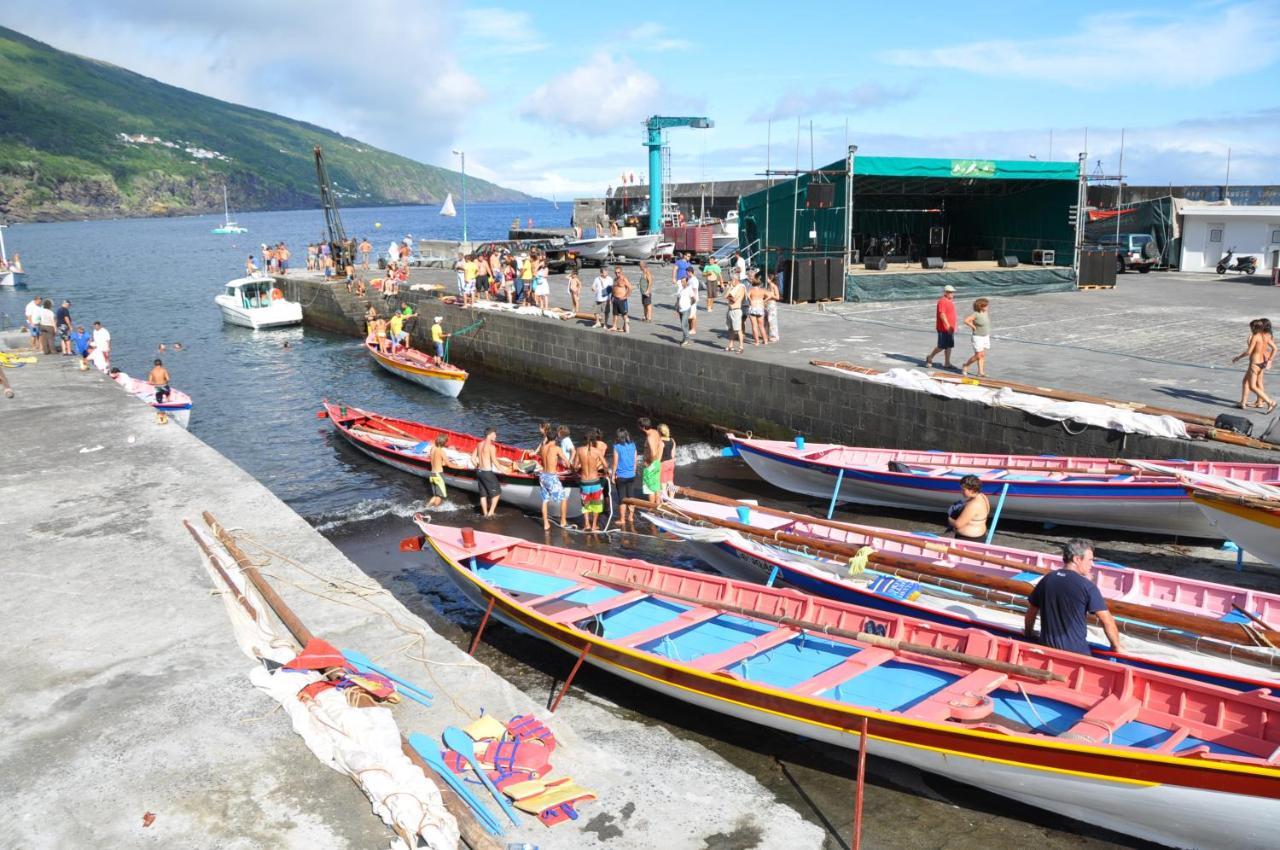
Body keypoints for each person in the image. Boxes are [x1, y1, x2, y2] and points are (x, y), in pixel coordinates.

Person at [1024, 538, 1122, 656]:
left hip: (1046, 649)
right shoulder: (1087, 587)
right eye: (1090, 560)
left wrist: (1028, 634)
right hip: (1076, 653)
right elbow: (1106, 620)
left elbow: (1031, 612)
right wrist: (1117, 647)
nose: (1092, 564)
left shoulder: (1047, 580)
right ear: (1076, 559)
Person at [1232, 318, 1278, 411]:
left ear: (1254, 328)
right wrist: (1269, 360)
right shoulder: (1266, 336)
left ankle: (1270, 402)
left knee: (1253, 386)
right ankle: (1243, 403)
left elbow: (1249, 351)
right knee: (1245, 381)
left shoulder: (1255, 336)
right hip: (1261, 363)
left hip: (1254, 364)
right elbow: (1275, 348)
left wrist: (1238, 357)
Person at [573, 429, 608, 532]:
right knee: (596, 504)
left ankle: (587, 525)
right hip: (595, 481)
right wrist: (605, 472)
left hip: (584, 481)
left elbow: (575, 467)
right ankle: (594, 526)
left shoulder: (579, 450)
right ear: (594, 440)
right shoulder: (597, 451)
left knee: (586, 504)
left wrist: (579, 468)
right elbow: (605, 465)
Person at [538, 427, 570, 530]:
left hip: (543, 476)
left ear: (547, 437)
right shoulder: (556, 448)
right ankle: (563, 521)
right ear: (556, 438)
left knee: (545, 500)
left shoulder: (543, 448)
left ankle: (546, 524)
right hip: (551, 477)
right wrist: (571, 467)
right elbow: (566, 462)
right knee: (564, 498)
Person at [946, 475, 990, 540]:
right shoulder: (983, 496)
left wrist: (949, 519)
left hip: (969, 539)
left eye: (963, 490)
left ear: (972, 490)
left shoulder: (973, 505)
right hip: (979, 536)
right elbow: (987, 512)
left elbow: (958, 524)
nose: (961, 492)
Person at [925, 285, 958, 370]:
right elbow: (942, 314)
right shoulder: (942, 301)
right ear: (945, 292)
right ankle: (930, 357)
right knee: (941, 346)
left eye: (952, 292)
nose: (952, 294)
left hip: (950, 328)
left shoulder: (949, 301)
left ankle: (947, 363)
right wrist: (947, 325)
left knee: (949, 346)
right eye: (950, 292)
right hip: (944, 328)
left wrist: (952, 326)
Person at [611, 428, 639, 526]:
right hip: (631, 474)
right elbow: (635, 460)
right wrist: (634, 471)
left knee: (622, 498)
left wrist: (613, 475)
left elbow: (615, 463)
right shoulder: (633, 445)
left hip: (621, 475)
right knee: (631, 496)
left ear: (618, 437)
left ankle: (622, 519)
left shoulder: (616, 447)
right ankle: (631, 517)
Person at [472, 426, 502, 517]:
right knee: (497, 493)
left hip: (479, 471)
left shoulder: (479, 444)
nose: (496, 436)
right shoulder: (491, 447)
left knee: (483, 495)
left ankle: (485, 513)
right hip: (487, 473)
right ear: (490, 435)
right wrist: (504, 471)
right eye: (494, 434)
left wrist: (477, 466)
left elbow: (472, 458)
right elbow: (495, 462)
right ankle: (491, 512)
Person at [960, 297, 991, 378]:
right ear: (981, 306)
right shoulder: (976, 314)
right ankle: (966, 365)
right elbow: (966, 320)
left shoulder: (985, 313)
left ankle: (980, 372)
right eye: (986, 306)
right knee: (978, 355)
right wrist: (973, 327)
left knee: (982, 355)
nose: (988, 307)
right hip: (978, 337)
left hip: (985, 336)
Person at [639, 417, 663, 505]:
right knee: (656, 486)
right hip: (657, 463)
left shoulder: (649, 437)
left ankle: (651, 508)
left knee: (650, 489)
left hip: (651, 464)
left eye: (640, 427)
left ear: (643, 427)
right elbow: (661, 445)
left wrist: (649, 463)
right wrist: (658, 459)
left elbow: (653, 452)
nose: (639, 428)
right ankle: (658, 505)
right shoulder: (656, 432)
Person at [723, 270, 746, 353]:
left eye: (732, 279)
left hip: (736, 310)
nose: (731, 281)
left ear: (736, 280)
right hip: (730, 310)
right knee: (730, 329)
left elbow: (734, 299)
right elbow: (724, 296)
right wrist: (729, 287)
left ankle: (741, 347)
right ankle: (730, 345)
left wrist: (729, 297)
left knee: (738, 330)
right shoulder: (732, 287)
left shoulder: (741, 287)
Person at [427, 434, 449, 508]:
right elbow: (450, 465)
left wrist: (442, 462)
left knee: (436, 495)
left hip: (432, 474)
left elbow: (435, 460)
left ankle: (426, 507)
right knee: (439, 496)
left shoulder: (432, 448)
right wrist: (460, 467)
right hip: (439, 475)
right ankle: (436, 510)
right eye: (446, 442)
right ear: (444, 443)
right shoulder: (441, 451)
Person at [676, 275, 697, 346]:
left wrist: (689, 305)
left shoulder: (689, 289)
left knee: (683, 324)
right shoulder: (680, 289)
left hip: (686, 309)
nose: (682, 283)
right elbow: (678, 299)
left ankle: (687, 340)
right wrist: (677, 309)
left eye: (683, 282)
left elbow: (694, 299)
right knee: (685, 325)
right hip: (680, 309)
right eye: (681, 282)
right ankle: (684, 338)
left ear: (687, 282)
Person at [746, 278, 768, 346]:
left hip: (753, 306)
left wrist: (750, 300)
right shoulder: (762, 290)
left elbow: (747, 295)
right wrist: (764, 300)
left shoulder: (751, 290)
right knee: (761, 326)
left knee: (754, 326)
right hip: (760, 307)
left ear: (752, 284)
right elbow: (770, 295)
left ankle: (757, 342)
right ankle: (765, 340)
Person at [610, 267, 631, 333]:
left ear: (621, 272)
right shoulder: (615, 279)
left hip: (621, 299)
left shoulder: (624, 279)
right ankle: (614, 326)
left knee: (624, 314)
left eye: (618, 272)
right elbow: (613, 289)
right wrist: (611, 298)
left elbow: (630, 288)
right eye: (615, 272)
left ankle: (626, 327)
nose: (617, 274)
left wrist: (625, 296)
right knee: (615, 314)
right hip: (615, 298)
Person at [658, 423, 677, 495]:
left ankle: (665, 500)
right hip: (671, 463)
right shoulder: (672, 440)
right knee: (670, 482)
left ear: (659, 432)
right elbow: (673, 454)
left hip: (663, 464)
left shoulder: (660, 441)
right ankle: (672, 499)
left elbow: (659, 456)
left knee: (663, 483)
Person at [764, 274, 781, 342]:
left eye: (767, 278)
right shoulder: (768, 286)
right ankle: (767, 335)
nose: (766, 279)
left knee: (772, 320)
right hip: (766, 304)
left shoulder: (774, 286)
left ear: (770, 279)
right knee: (766, 320)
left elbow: (777, 297)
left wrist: (771, 295)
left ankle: (774, 336)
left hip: (772, 304)